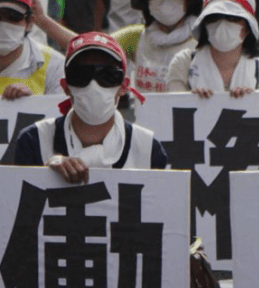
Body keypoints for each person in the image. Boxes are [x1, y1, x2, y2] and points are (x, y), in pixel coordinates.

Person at [14, 32, 168, 183]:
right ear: (65, 87)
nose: (93, 85)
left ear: (123, 86)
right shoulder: (34, 141)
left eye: (108, 75)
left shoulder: (148, 149)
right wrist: (44, 173)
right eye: (80, 75)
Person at [166, 0, 259, 97]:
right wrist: (192, 100)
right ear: (204, 25)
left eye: (233, 18)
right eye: (214, 17)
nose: (222, 24)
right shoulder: (184, 63)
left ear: (247, 28)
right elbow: (173, 104)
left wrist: (253, 100)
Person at [126, 0, 204, 94]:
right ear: (148, 3)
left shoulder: (205, 39)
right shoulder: (135, 36)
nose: (165, 0)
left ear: (189, 0)